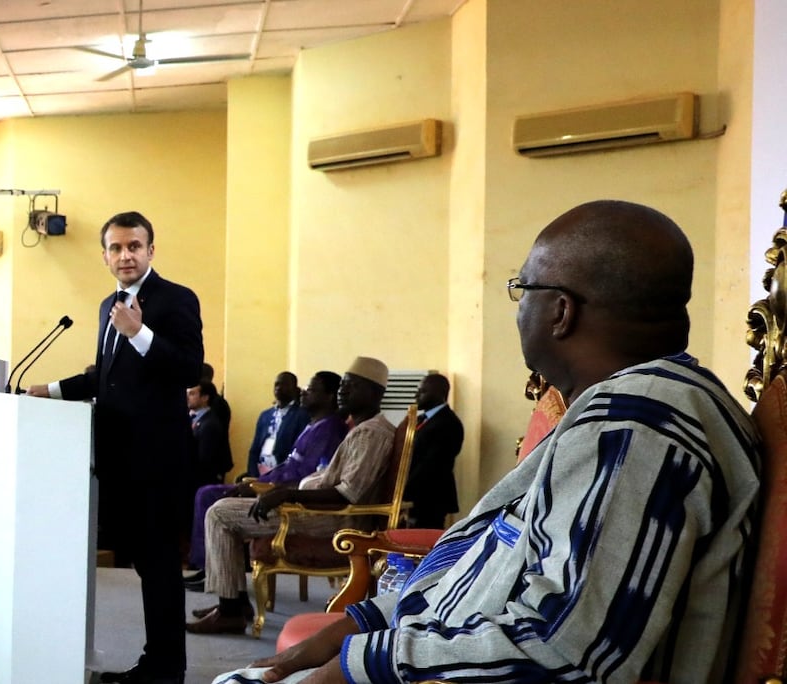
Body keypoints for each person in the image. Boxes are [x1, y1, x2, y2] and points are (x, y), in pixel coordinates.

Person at [214, 200, 762, 684]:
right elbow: (502, 566)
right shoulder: (621, 413)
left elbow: (562, 650)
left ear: (561, 311)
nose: (516, 306)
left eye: (521, 289)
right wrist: (357, 626)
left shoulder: (635, 430)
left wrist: (354, 665)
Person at [27, 210, 203, 684]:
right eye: (116, 248)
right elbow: (104, 378)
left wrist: (140, 334)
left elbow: (190, 370)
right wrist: (48, 390)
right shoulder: (109, 303)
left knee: (161, 566)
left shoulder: (175, 299)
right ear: (104, 254)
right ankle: (156, 662)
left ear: (150, 250)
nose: (125, 255)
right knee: (146, 564)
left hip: (158, 458)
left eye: (135, 246)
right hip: (120, 456)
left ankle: (165, 670)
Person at [190, 357, 394, 635]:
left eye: (351, 386)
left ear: (375, 393)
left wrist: (287, 495)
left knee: (220, 512)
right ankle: (235, 603)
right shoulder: (360, 428)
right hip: (312, 511)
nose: (342, 392)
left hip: (329, 521)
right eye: (342, 385)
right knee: (224, 507)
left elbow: (347, 494)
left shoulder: (372, 433)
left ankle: (230, 610)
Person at [184, 371, 347, 590]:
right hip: (272, 486)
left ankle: (218, 580)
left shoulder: (330, 429)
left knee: (211, 497)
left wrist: (258, 487)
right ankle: (211, 571)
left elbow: (308, 477)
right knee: (209, 493)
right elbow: (285, 464)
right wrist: (254, 480)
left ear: (329, 396)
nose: (304, 393)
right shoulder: (313, 424)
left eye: (312, 389)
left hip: (288, 500)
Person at [404, 372, 465, 529]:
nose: (417, 395)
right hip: (415, 498)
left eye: (423, 391)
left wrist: (403, 491)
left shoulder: (448, 423)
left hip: (430, 498)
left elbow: (431, 466)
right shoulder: (422, 419)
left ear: (440, 393)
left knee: (423, 546)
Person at [246, 371, 309, 477]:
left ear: (294, 389)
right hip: (260, 471)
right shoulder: (265, 415)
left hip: (282, 474)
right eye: (276, 384)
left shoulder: (301, 415)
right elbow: (254, 449)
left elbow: (298, 450)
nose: (279, 388)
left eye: (284, 384)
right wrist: (252, 475)